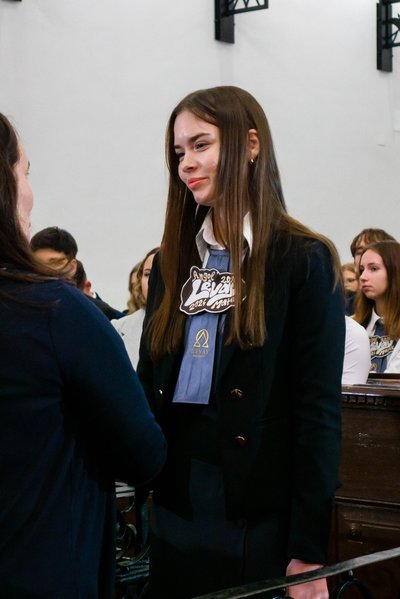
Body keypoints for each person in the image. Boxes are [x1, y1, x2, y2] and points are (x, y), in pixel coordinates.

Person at [137, 86, 345, 599]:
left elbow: (317, 412)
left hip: (255, 511)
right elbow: (148, 382)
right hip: (175, 500)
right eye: (178, 152)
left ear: (251, 145)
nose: (186, 163)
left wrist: (309, 550)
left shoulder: (303, 260)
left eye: (201, 145)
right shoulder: (170, 263)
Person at [0, 112, 166, 597]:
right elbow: (143, 454)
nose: (30, 191)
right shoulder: (53, 311)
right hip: (40, 570)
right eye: (25, 172)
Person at [354, 240, 400, 373]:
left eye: (373, 268)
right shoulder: (351, 325)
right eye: (362, 270)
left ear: (395, 271)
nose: (363, 277)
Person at [113, 247, 159, 368]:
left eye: (160, 273)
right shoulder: (118, 327)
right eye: (147, 274)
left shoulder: (190, 327)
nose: (152, 281)